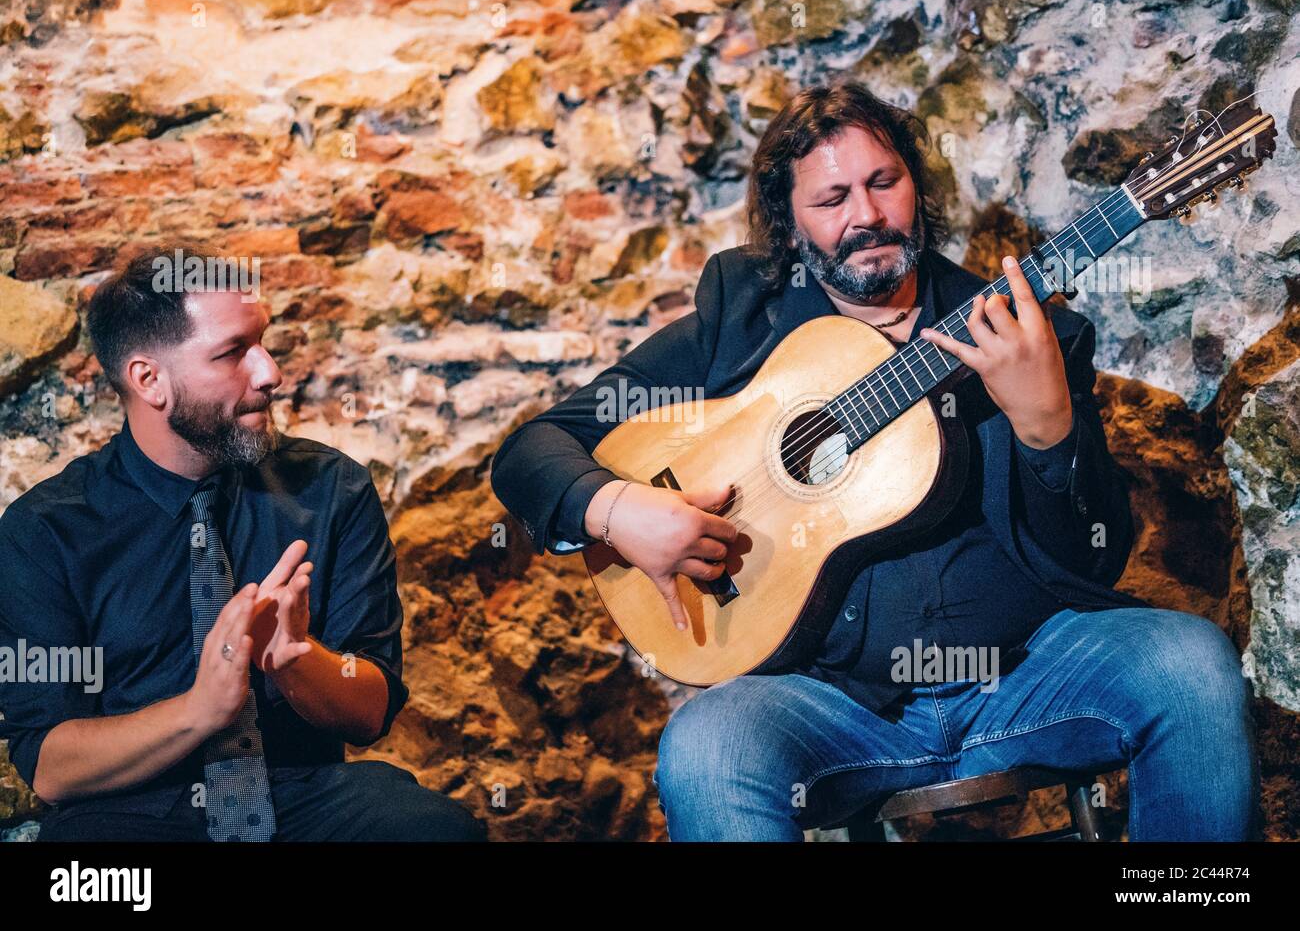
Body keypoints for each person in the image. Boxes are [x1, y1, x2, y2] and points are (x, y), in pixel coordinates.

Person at [489, 79, 1259, 841]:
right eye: (832, 199)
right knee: (705, 749)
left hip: (1025, 674)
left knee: (1190, 664)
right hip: (830, 704)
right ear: (789, 225)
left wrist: (1047, 428)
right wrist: (618, 511)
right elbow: (532, 451)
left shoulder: (1026, 335)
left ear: (915, 188)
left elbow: (1092, 557)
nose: (866, 215)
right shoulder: (742, 321)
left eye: (884, 182)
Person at [0, 244, 486, 841]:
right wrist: (199, 710)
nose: (269, 372)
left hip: (301, 794)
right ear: (150, 380)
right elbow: (50, 768)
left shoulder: (330, 490)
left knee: (435, 830)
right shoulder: (44, 531)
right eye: (233, 352)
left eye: (262, 341)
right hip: (131, 815)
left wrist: (298, 661)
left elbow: (370, 714)